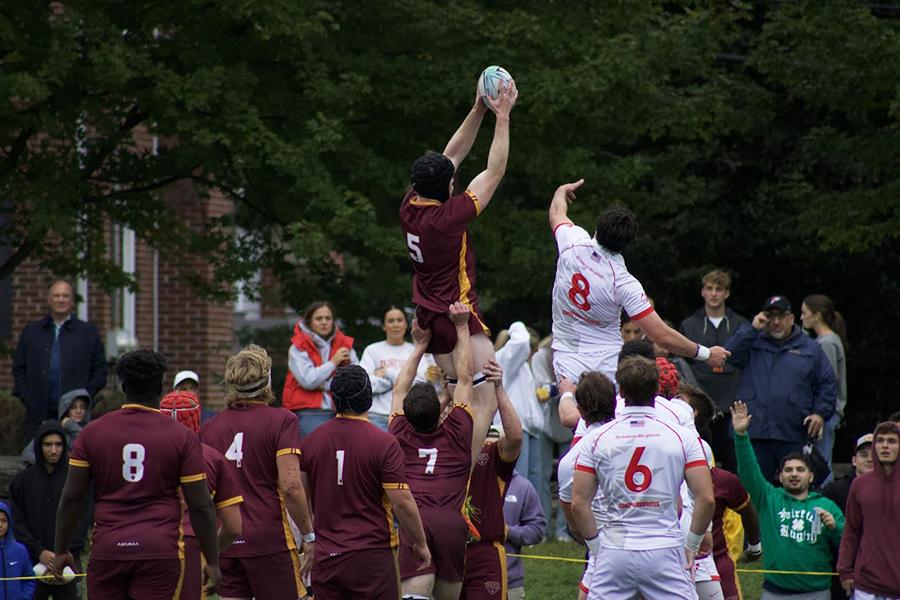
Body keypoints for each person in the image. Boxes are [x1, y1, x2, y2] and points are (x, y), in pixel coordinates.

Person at [399, 77, 517, 459]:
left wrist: (477, 109)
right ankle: (457, 478)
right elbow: (494, 172)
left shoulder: (410, 206)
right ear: (448, 188)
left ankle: (440, 471)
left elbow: (451, 155)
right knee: (482, 403)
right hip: (457, 312)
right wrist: (501, 117)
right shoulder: (448, 218)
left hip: (431, 314)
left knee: (455, 393)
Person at [547, 180, 728, 428]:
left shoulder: (572, 242)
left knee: (580, 423)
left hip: (567, 352)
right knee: (617, 421)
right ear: (627, 243)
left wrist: (560, 192)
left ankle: (568, 395)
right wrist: (706, 354)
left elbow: (557, 213)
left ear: (597, 229)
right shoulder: (624, 282)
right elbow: (659, 334)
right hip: (608, 360)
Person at [52, 349, 221, 599]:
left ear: (123, 386)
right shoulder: (182, 436)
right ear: (161, 387)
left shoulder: (92, 433)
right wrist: (214, 562)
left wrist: (61, 549)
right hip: (159, 548)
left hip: (109, 546)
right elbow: (200, 505)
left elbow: (72, 497)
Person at [571, 356, 715, 600]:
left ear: (621, 391)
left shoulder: (596, 438)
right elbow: (706, 499)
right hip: (664, 548)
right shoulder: (682, 436)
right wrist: (691, 545)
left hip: (614, 550)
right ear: (657, 389)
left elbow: (578, 503)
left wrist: (596, 549)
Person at [297, 364, 430, 599]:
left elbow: (300, 495)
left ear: (334, 399)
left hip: (328, 557)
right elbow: (402, 503)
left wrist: (309, 538)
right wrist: (420, 543)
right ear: (369, 397)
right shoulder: (384, 444)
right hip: (372, 557)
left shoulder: (311, 441)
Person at [201, 344, 315, 600]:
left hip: (226, 538)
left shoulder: (210, 427)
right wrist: (308, 534)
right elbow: (291, 486)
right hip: (269, 538)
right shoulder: (282, 420)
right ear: (267, 380)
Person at [389, 303, 480, 600]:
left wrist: (420, 346)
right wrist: (463, 327)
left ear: (406, 414)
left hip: (416, 521)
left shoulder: (399, 432)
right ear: (441, 409)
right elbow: (465, 378)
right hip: (451, 522)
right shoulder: (457, 430)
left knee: (414, 594)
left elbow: (398, 390)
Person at [731, 400, 844, 600]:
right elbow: (749, 472)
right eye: (788, 470)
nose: (794, 474)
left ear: (811, 476)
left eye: (800, 470)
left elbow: (846, 543)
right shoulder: (769, 498)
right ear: (780, 476)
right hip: (774, 592)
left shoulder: (827, 505)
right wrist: (741, 436)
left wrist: (835, 527)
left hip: (817, 592)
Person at [726, 295, 837, 481]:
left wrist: (819, 413)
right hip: (755, 432)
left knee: (794, 489)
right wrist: (751, 329)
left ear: (792, 318)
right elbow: (728, 354)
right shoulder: (752, 342)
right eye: (771, 316)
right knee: (756, 489)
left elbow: (827, 383)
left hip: (792, 432)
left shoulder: (810, 348)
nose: (776, 322)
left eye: (781, 316)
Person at [159, 391, 243, 600]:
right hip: (190, 544)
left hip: (146, 539)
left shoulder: (146, 451)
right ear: (197, 416)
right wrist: (212, 554)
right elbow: (233, 525)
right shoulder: (212, 457)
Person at [13, 279, 107, 443]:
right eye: (57, 295)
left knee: (72, 462)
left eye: (65, 296)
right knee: (36, 459)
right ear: (49, 300)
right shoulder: (32, 331)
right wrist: (27, 397)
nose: (61, 299)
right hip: (39, 412)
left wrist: (83, 399)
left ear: (72, 301)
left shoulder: (87, 333)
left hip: (74, 415)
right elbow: (19, 368)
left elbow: (100, 370)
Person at [460, 360, 523, 600]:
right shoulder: (444, 446)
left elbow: (515, 437)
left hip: (484, 551)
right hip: (445, 548)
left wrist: (498, 388)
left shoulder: (491, 448)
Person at [9, 421, 91, 600]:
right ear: (39, 446)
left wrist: (66, 550)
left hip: (70, 562)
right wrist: (39, 551)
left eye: (58, 444)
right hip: (32, 562)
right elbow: (17, 522)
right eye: (48, 444)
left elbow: (84, 519)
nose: (53, 450)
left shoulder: (76, 478)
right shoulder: (22, 482)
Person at [679, 269, 749, 473]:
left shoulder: (740, 325)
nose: (714, 293)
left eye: (719, 289)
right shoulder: (689, 325)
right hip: (701, 405)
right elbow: (684, 365)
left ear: (726, 293)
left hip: (731, 405)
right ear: (702, 292)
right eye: (709, 288)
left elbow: (744, 362)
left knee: (733, 464)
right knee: (702, 462)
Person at [556, 371, 617, 600]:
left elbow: (574, 521)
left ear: (580, 411)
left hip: (601, 549)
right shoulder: (639, 439)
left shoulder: (570, 461)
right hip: (653, 544)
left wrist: (595, 545)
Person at [838, 421, 900, 599]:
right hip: (867, 585)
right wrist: (844, 570)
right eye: (880, 441)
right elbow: (851, 529)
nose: (885, 446)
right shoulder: (859, 484)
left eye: (892, 441)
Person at [282, 300, 358, 438]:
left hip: (343, 410)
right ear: (310, 322)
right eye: (319, 318)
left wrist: (325, 385)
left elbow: (356, 381)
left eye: (328, 318)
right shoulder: (297, 347)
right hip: (308, 411)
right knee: (319, 447)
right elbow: (308, 381)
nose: (324, 322)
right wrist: (334, 362)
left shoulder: (344, 345)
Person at [359, 306, 438, 431]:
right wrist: (401, 381)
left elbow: (420, 384)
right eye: (391, 321)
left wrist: (387, 373)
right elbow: (365, 385)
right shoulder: (372, 350)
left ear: (406, 324)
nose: (396, 324)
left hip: (407, 417)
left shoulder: (415, 350)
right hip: (376, 417)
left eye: (399, 320)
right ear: (384, 326)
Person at [800, 294, 847, 480]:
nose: (801, 317)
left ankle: (824, 502)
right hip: (826, 415)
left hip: (827, 416)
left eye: (804, 313)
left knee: (820, 463)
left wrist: (821, 413)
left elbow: (828, 382)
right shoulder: (824, 340)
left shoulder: (827, 343)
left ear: (817, 315)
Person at [20, 388, 92, 467]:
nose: (78, 411)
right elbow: (27, 453)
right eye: (73, 407)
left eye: (82, 407)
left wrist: (70, 425)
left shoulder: (92, 430)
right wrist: (47, 465)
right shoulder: (52, 428)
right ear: (66, 409)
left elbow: (86, 444)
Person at [503, 469, 546, 600]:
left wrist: (508, 531)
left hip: (510, 583)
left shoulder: (523, 487)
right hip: (469, 579)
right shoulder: (469, 482)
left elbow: (537, 530)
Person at [822, 434, 873, 514]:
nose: (870, 459)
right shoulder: (833, 491)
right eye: (864, 455)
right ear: (854, 461)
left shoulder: (889, 490)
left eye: (875, 456)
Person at [0, 502, 36, 600]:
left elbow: (29, 578)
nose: (0, 525)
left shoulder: (20, 550)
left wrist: (25, 597)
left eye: (3, 520)